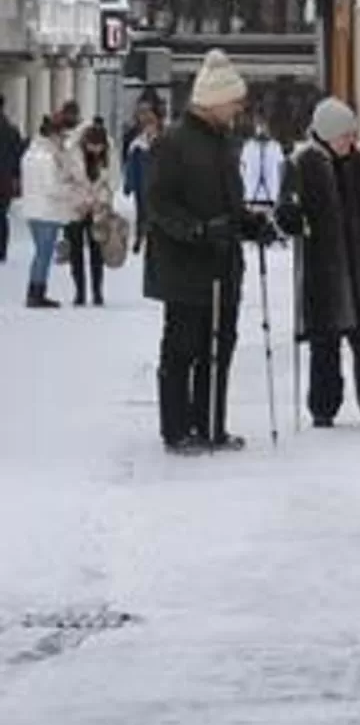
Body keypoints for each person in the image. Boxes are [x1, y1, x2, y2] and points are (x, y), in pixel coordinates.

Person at [144, 50, 271, 453]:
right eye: (234, 102)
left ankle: (211, 424)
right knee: (182, 348)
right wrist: (197, 230)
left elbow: (229, 203)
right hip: (184, 267)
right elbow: (159, 203)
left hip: (223, 265)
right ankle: (177, 429)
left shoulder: (224, 144)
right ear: (214, 101)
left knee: (218, 349)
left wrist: (249, 223)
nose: (238, 109)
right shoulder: (173, 143)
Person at [278, 97, 360, 427]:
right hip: (324, 267)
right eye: (344, 136)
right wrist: (289, 217)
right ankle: (323, 407)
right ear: (325, 134)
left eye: (352, 134)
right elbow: (287, 207)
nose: (350, 141)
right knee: (325, 343)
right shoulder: (300, 163)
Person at [18, 116, 70, 309]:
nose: (63, 140)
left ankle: (35, 291)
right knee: (44, 254)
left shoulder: (29, 154)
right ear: (52, 135)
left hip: (32, 209)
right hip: (47, 211)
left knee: (41, 253)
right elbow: (52, 188)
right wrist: (70, 190)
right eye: (61, 136)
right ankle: (36, 293)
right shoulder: (48, 158)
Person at [67, 120, 115, 307]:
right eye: (92, 146)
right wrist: (82, 202)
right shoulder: (72, 153)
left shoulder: (109, 154)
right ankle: (79, 292)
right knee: (76, 251)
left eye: (99, 147)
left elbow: (112, 182)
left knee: (97, 251)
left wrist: (101, 202)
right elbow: (65, 181)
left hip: (98, 209)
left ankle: (97, 292)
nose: (96, 150)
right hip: (76, 208)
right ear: (85, 143)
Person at [122, 94, 161, 253]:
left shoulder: (163, 142)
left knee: (155, 213)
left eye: (152, 125)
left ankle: (152, 239)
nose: (149, 129)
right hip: (142, 183)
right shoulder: (137, 144)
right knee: (142, 211)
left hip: (159, 185)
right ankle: (140, 236)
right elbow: (131, 166)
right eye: (147, 126)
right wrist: (129, 184)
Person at [239, 110, 287, 219]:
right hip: (253, 198)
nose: (261, 128)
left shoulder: (275, 146)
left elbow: (281, 170)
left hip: (267, 198)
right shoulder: (248, 146)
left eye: (263, 125)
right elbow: (242, 170)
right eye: (259, 125)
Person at [0, 93, 23, 265]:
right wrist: (16, 179)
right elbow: (18, 157)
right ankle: (1, 251)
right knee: (2, 216)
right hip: (5, 181)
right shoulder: (12, 130)